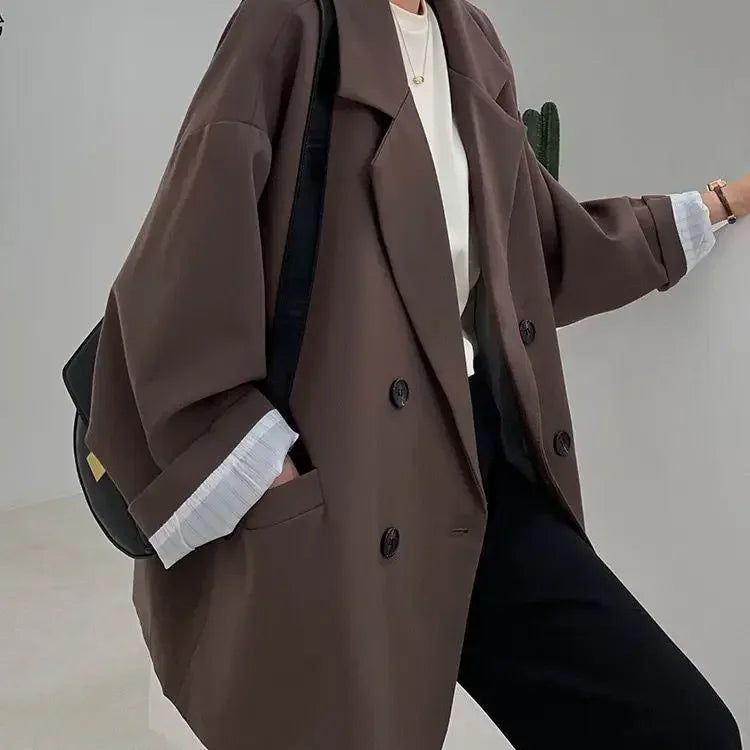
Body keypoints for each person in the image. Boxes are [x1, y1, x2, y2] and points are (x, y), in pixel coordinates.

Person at [86, 0, 747, 747]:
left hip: (478, 467)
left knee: (682, 728)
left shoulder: (472, 40)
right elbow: (180, 269)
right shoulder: (289, 23)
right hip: (347, 480)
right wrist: (271, 472)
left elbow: (534, 244)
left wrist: (716, 205)